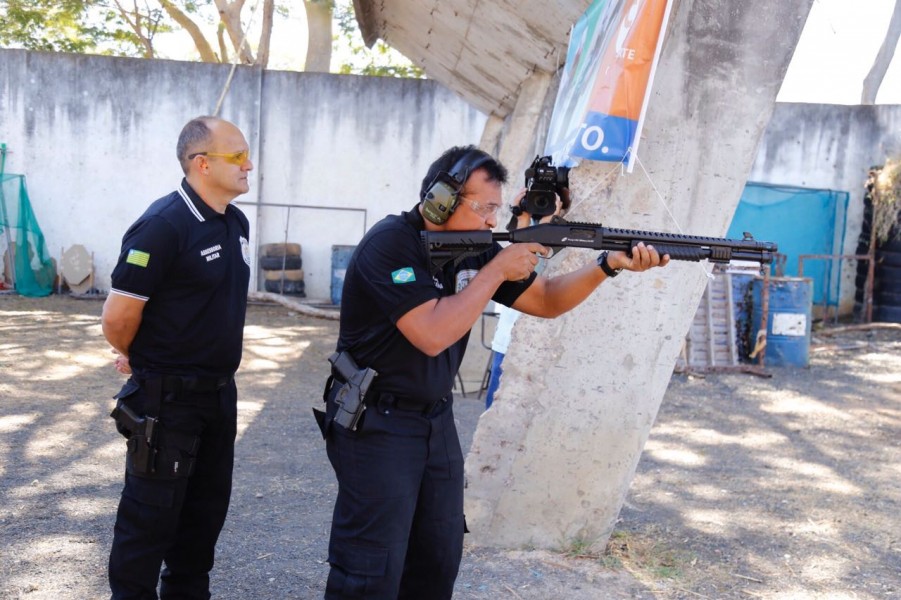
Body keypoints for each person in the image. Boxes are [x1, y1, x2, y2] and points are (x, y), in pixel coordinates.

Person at [316, 144, 669, 600]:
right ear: (438, 200)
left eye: (495, 210)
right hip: (376, 422)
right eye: (483, 208)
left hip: (433, 422)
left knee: (436, 559)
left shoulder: (474, 250)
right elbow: (433, 333)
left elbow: (545, 301)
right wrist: (497, 269)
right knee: (369, 570)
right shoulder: (391, 245)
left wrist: (606, 266)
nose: (489, 221)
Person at [102, 115, 253, 599]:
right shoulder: (163, 226)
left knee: (202, 521)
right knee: (149, 521)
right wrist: (143, 359)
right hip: (167, 399)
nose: (250, 164)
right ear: (201, 164)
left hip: (218, 396)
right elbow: (118, 317)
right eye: (238, 156)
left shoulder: (236, 222)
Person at [485, 188, 570, 409]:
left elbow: (536, 268)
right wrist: (521, 216)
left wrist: (548, 223)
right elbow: (518, 268)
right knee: (495, 408)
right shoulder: (526, 226)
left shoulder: (560, 233)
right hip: (507, 339)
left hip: (533, 343)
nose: (541, 203)